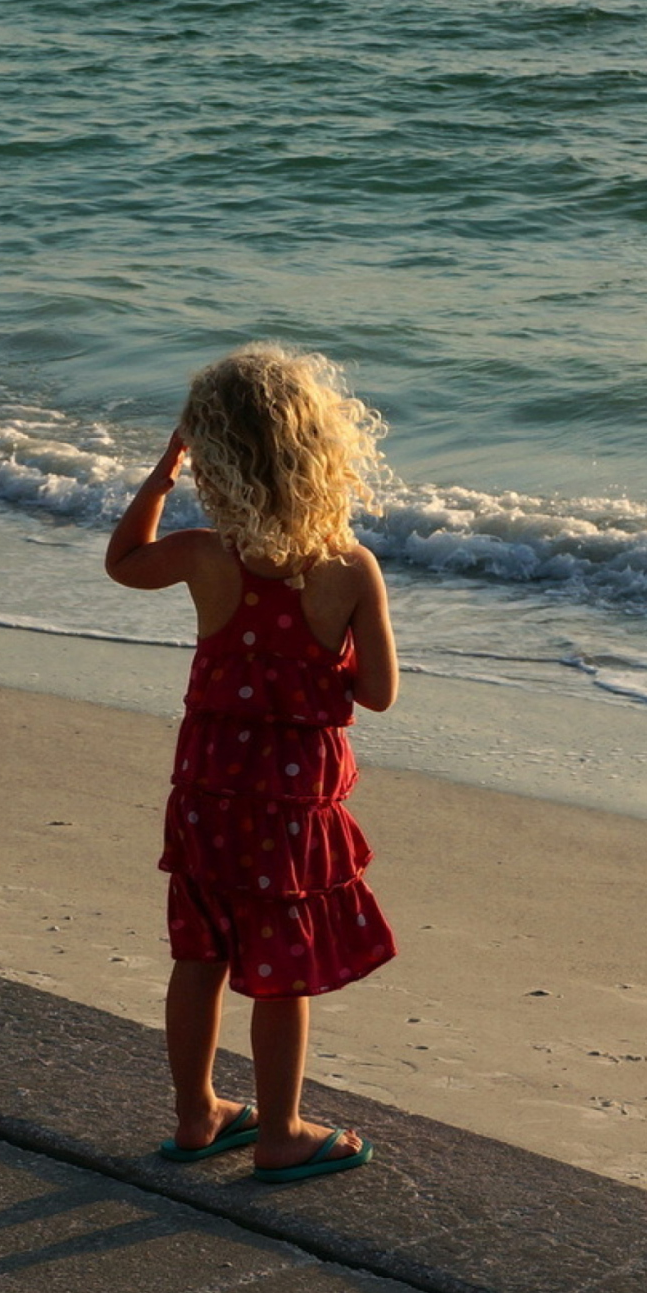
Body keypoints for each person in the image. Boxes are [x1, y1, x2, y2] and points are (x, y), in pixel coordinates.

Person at [105, 343, 398, 1184]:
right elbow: (377, 693)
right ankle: (280, 1132)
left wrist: (160, 475)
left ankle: (198, 1115)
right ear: (321, 451)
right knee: (280, 971)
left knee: (199, 954)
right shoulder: (348, 568)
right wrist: (319, 671)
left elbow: (124, 564)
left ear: (213, 459)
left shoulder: (205, 554)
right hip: (290, 807)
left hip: (206, 794)